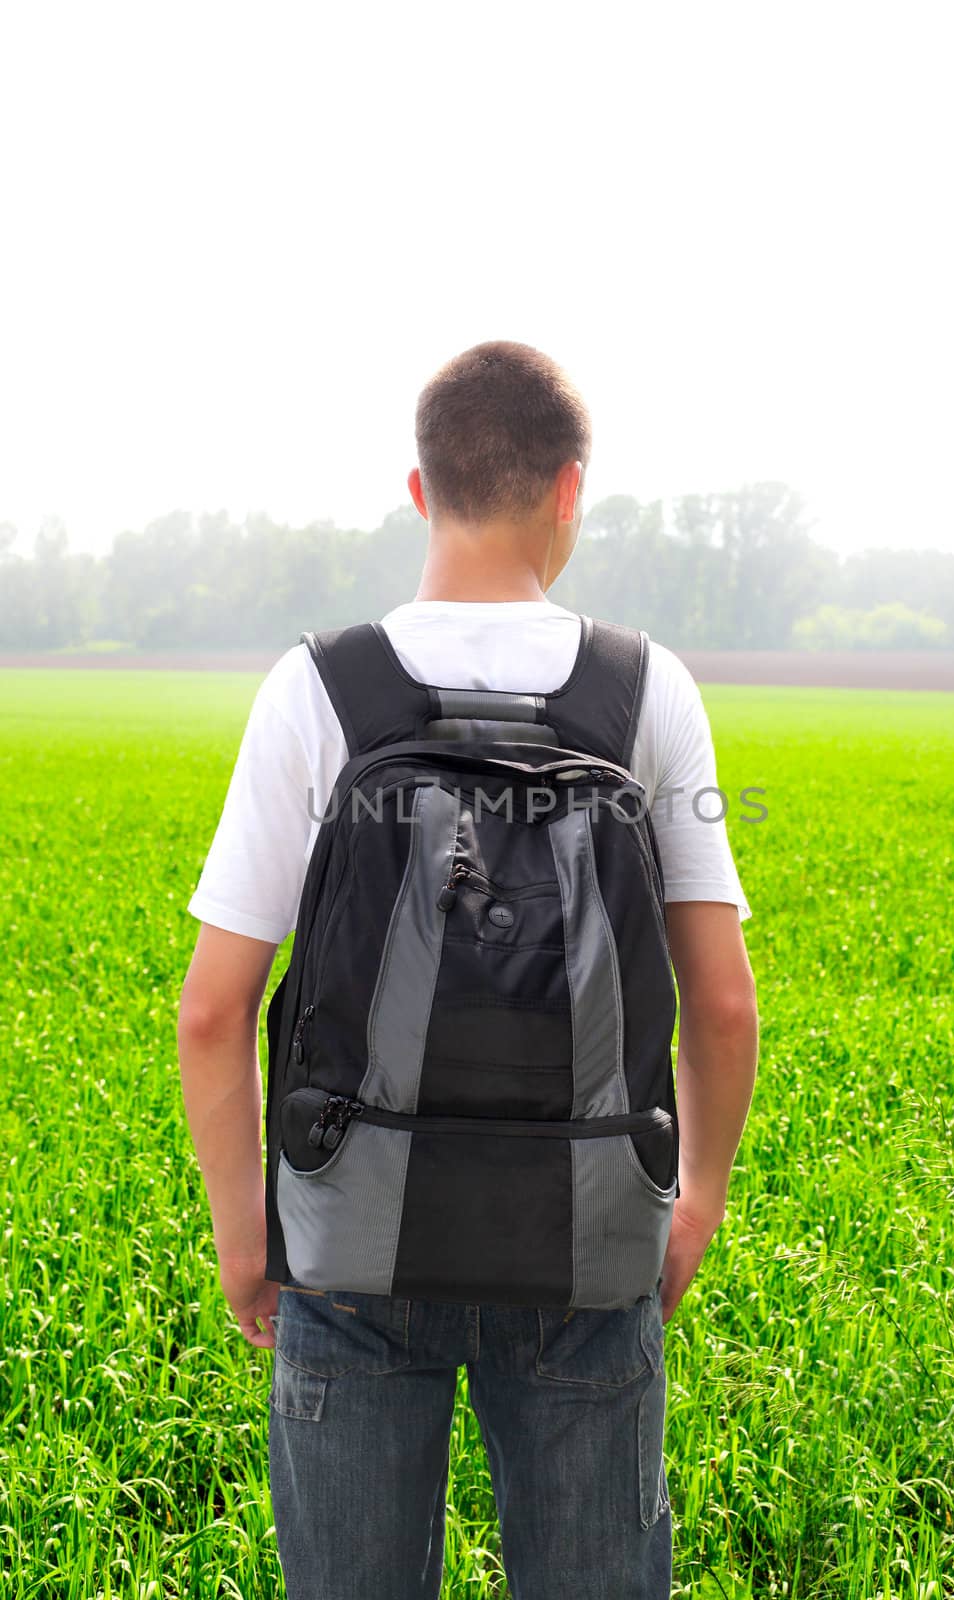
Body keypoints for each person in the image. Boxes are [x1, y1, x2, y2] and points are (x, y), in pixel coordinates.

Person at [177, 339, 760, 1599]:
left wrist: (245, 1229)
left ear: (416, 488)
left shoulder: (316, 688)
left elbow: (212, 1008)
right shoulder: (644, 689)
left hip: (352, 1237)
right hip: (587, 1230)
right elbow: (719, 996)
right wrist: (697, 1194)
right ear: (568, 491)